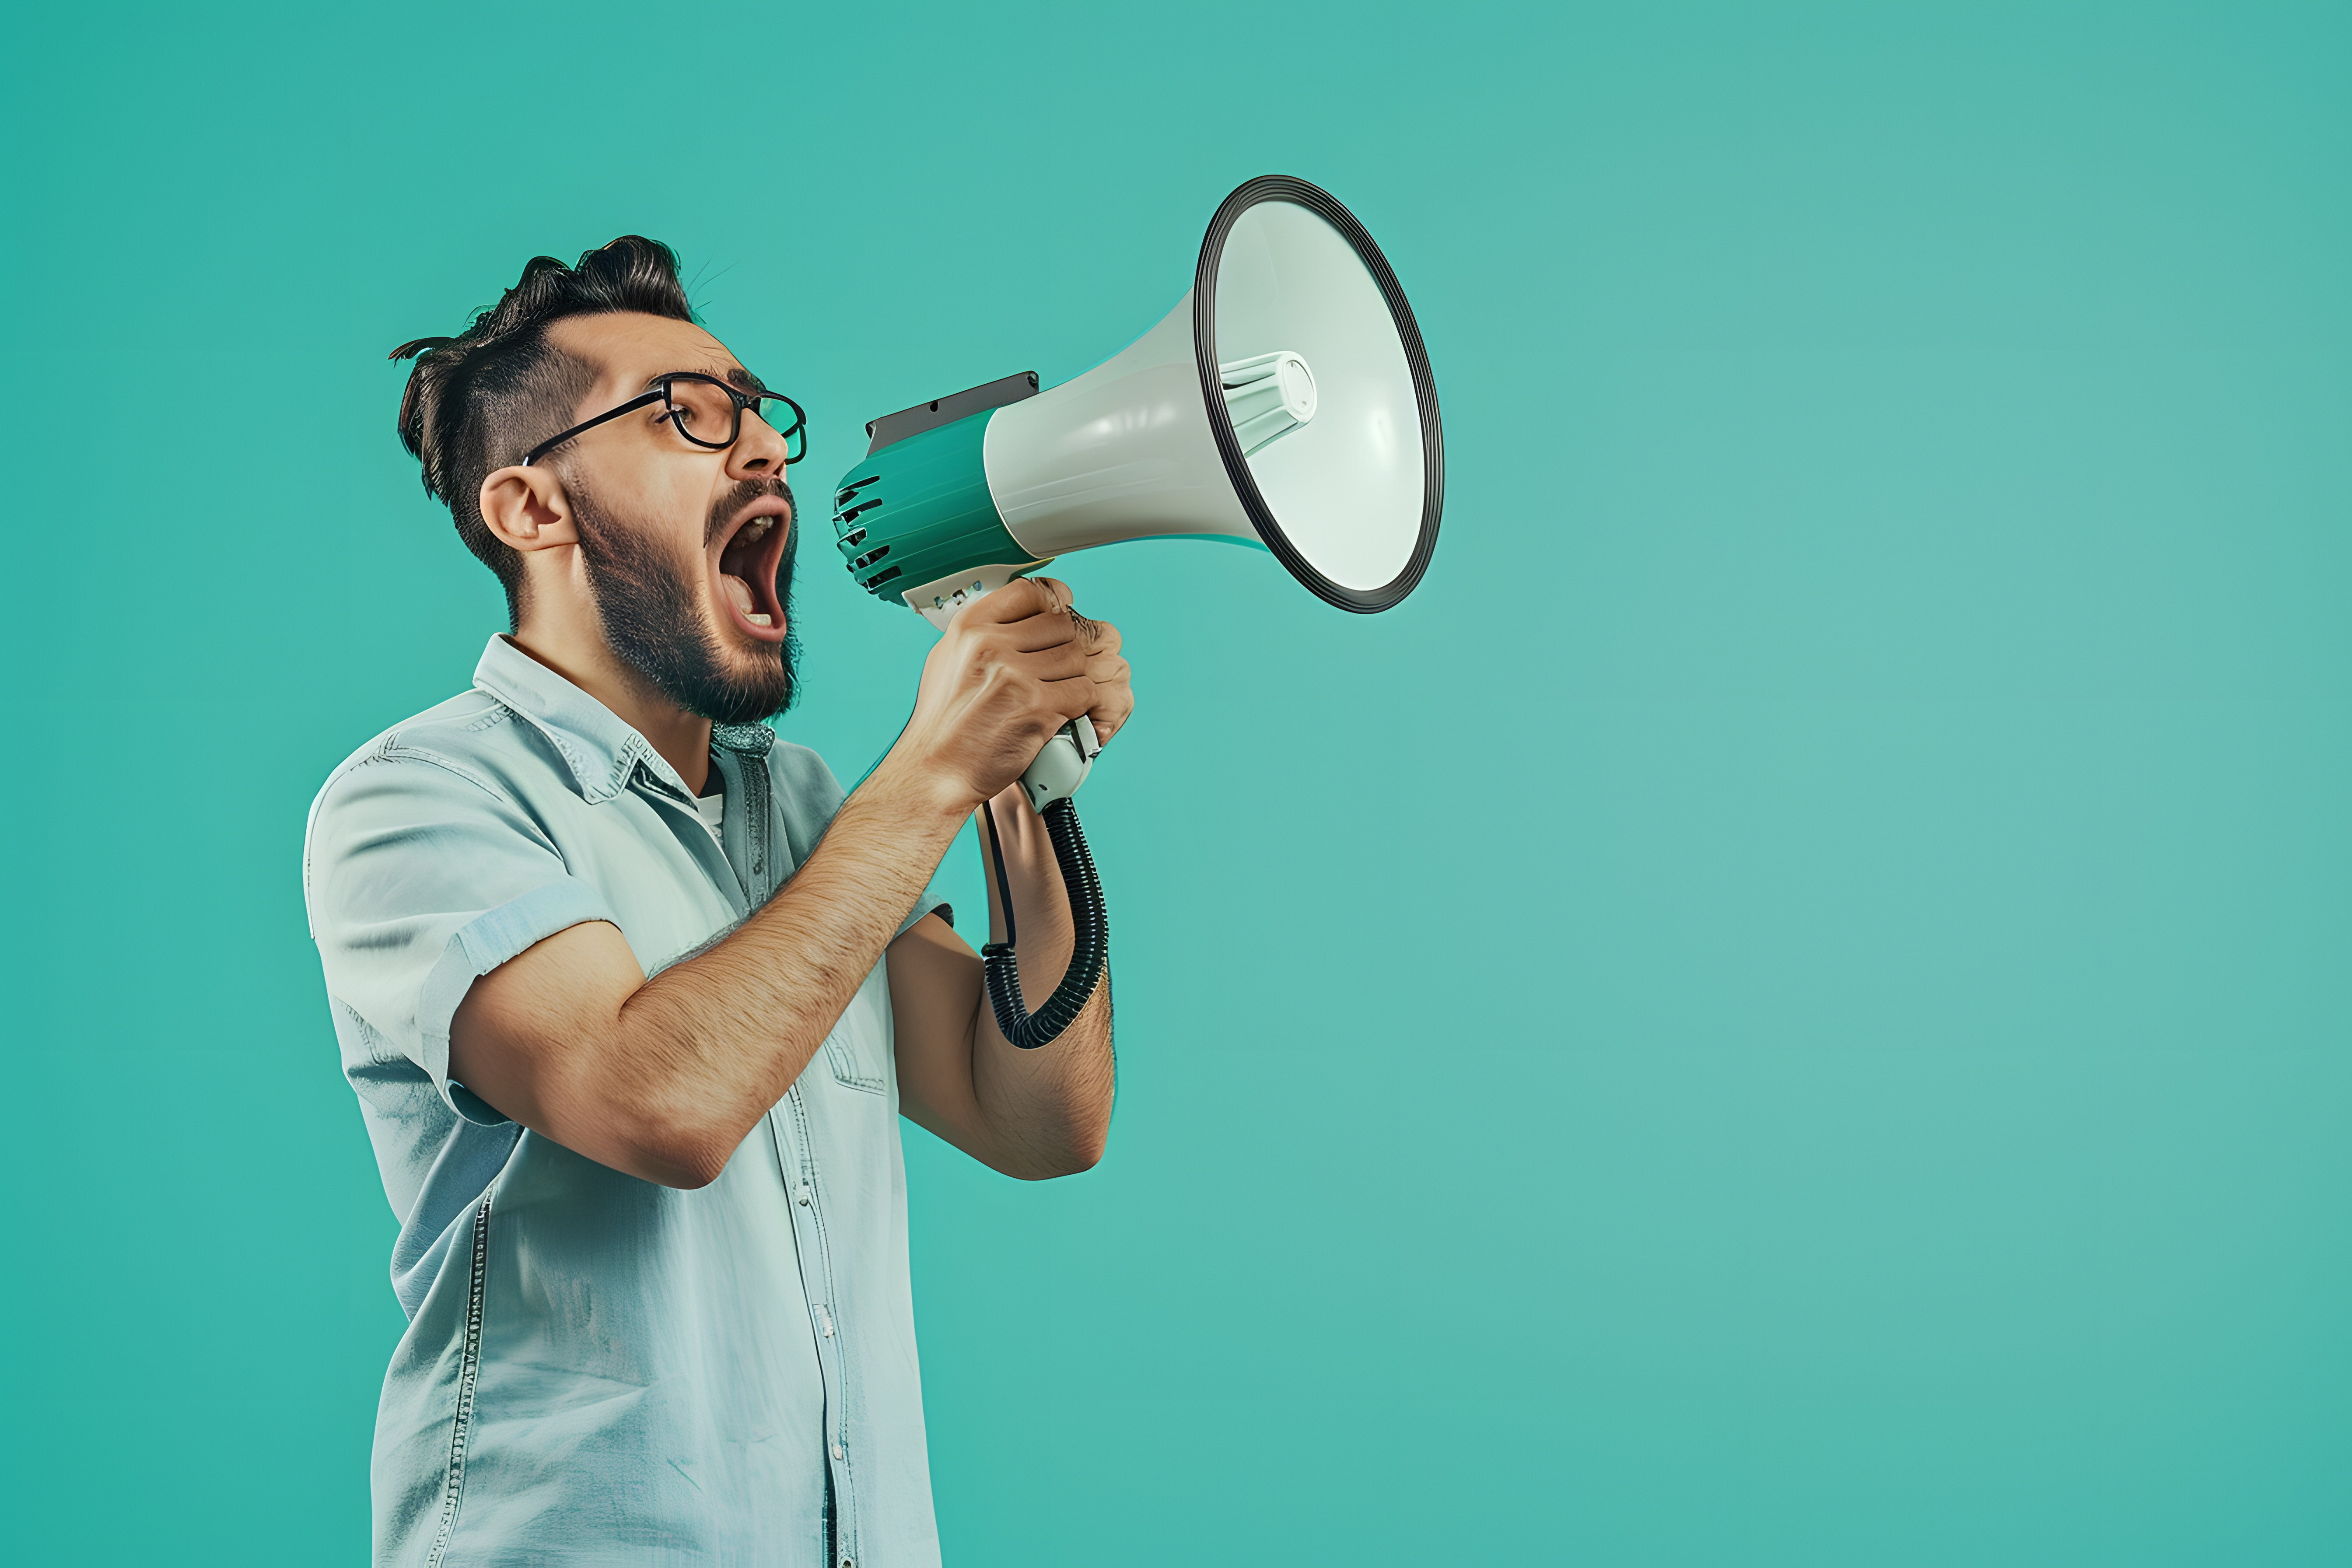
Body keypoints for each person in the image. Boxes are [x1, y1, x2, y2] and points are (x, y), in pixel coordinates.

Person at [302, 237, 1130, 1567]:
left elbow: (1036, 1116)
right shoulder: (416, 799)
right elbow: (657, 1103)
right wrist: (930, 775)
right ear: (532, 510)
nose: (764, 452)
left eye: (755, 410)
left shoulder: (802, 811)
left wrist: (1020, 778)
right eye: (688, 416)